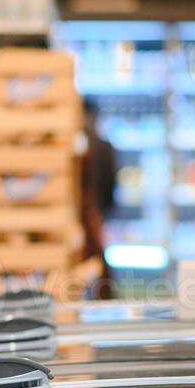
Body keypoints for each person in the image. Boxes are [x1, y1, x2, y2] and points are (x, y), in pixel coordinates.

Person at [78, 97, 117, 292]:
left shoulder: (76, 147)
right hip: (96, 219)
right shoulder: (105, 146)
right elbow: (112, 193)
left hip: (82, 220)